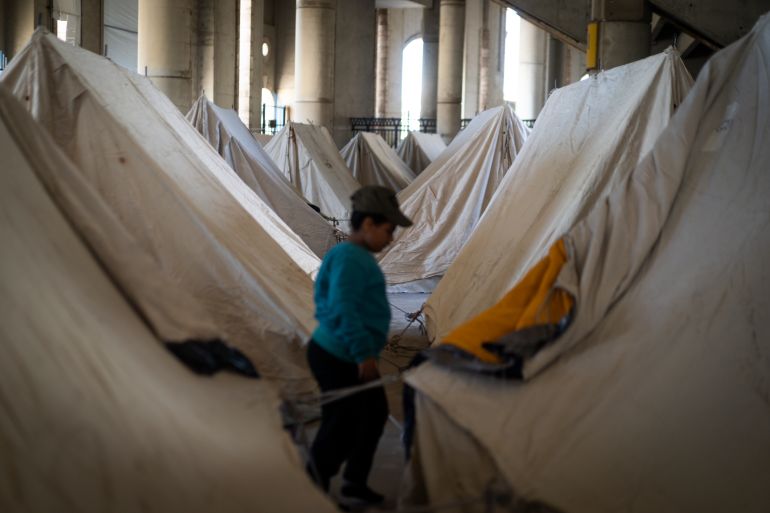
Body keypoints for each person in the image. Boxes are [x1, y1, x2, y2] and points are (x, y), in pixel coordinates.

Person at [307, 185, 412, 506]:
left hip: (346, 352)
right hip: (338, 355)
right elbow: (343, 308)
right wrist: (363, 354)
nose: (391, 238)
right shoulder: (351, 259)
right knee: (341, 425)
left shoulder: (351, 255)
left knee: (374, 413)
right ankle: (311, 486)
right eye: (388, 230)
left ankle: (354, 481)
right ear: (368, 224)